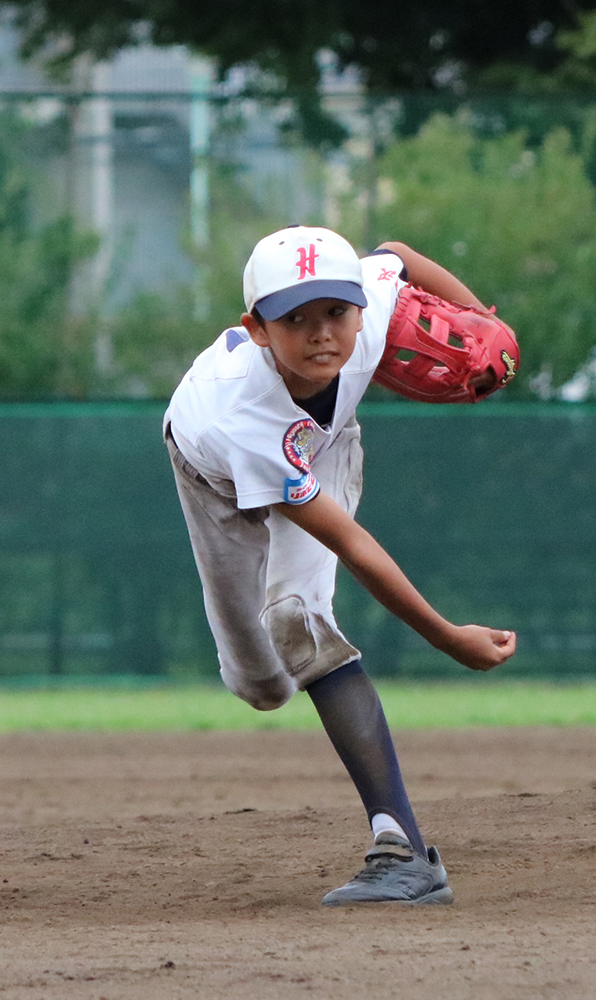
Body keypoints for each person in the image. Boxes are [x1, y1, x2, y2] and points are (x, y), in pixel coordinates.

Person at [163, 225, 516, 906]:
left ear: (358, 306)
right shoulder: (245, 417)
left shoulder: (374, 305)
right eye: (295, 318)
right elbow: (354, 545)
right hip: (214, 476)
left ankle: (402, 849)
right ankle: (276, 684)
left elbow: (398, 255)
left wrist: (480, 328)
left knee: (300, 623)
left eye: (335, 311)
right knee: (261, 685)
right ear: (257, 329)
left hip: (319, 449)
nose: (323, 333)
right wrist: (448, 637)